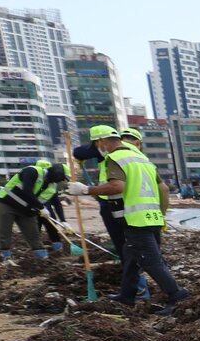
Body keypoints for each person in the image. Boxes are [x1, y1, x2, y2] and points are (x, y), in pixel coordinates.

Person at [67, 129, 190, 313]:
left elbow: (117, 186)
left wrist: (85, 190)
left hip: (135, 219)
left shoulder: (115, 158)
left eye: (96, 145)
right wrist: (161, 214)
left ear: (102, 141)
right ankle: (127, 295)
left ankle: (177, 296)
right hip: (152, 216)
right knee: (131, 255)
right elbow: (163, 188)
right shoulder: (141, 159)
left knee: (151, 261)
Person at [73, 126, 151, 299]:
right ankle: (138, 290)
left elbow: (79, 151)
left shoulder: (117, 153)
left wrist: (86, 190)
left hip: (119, 205)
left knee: (129, 249)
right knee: (134, 249)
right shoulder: (134, 156)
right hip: (121, 205)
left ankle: (140, 289)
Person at [0, 161, 68, 260]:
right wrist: (41, 207)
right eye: (61, 178)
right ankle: (6, 255)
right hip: (7, 203)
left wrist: (62, 220)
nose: (60, 181)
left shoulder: (51, 187)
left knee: (33, 233)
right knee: (5, 231)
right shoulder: (32, 171)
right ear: (57, 173)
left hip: (26, 210)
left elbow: (52, 202)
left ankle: (41, 256)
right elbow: (27, 191)